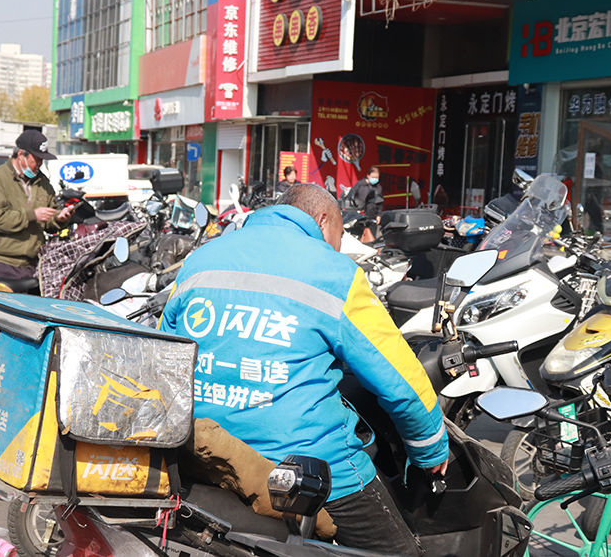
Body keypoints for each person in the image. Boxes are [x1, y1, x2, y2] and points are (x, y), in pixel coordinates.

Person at [159, 183, 449, 555]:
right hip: (304, 468)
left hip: (201, 451)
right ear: (322, 219)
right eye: (340, 235)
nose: (339, 245)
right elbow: (399, 379)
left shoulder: (201, 259)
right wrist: (429, 448)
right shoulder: (334, 272)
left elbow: (166, 356)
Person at [0, 130, 75, 289]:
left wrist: (59, 218)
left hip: (30, 265)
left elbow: (48, 220)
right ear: (21, 155)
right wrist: (32, 215)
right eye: (36, 159)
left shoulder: (44, 183)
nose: (39, 164)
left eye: (42, 160)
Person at [349, 166, 384, 239]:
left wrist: (379, 215)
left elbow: (380, 202)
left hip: (372, 216)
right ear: (368, 175)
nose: (375, 179)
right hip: (359, 216)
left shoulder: (378, 187)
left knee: (371, 237)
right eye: (373, 177)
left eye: (376, 177)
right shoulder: (360, 184)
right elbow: (351, 196)